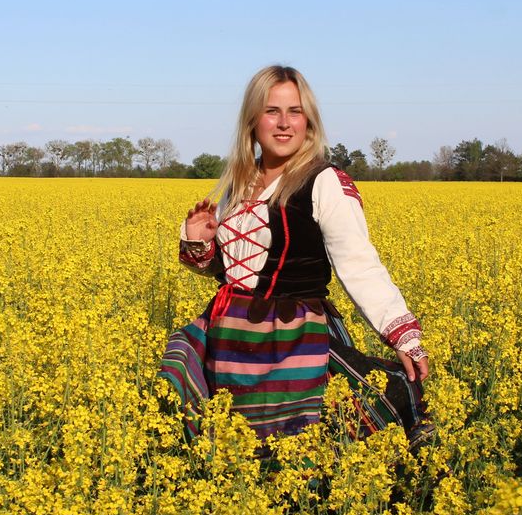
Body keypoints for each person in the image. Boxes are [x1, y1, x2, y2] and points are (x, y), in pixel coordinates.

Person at [158, 65, 431, 449]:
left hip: (291, 337)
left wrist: (403, 335)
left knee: (294, 446)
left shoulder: (324, 181)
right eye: (272, 111)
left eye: (295, 112)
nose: (284, 123)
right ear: (252, 120)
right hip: (230, 336)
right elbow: (234, 270)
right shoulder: (238, 183)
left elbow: (359, 264)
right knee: (221, 438)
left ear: (309, 121)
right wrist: (200, 242)